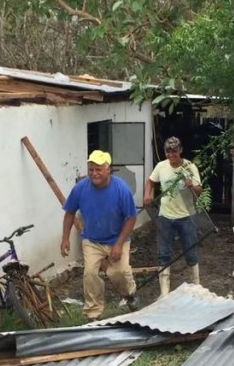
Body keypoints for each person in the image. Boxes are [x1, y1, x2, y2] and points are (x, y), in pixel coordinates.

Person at [60, 150, 139, 321]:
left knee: (118, 272)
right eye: (91, 169)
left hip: (117, 238)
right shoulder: (81, 188)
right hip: (92, 239)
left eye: (98, 169)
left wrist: (119, 244)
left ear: (108, 169)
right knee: (90, 273)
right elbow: (69, 213)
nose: (94, 173)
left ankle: (130, 294)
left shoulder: (121, 189)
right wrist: (65, 238)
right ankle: (93, 313)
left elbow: (131, 218)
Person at [144, 136, 202, 298]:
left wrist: (191, 185)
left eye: (174, 152)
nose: (171, 155)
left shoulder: (189, 167)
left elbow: (199, 190)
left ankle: (196, 286)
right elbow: (150, 181)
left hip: (186, 215)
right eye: (168, 152)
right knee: (163, 253)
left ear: (180, 151)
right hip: (165, 216)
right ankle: (164, 292)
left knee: (190, 251)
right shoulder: (161, 166)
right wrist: (147, 194)